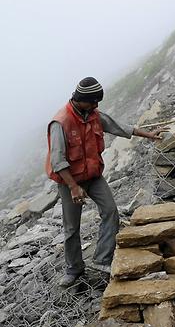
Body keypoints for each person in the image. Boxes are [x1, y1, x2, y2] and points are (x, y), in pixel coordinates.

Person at [47, 77, 162, 287]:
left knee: (111, 211)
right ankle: (74, 269)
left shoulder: (93, 115)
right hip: (70, 181)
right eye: (93, 102)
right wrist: (73, 187)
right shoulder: (61, 122)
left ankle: (102, 259)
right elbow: (57, 160)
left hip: (93, 176)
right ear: (81, 99)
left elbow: (120, 127)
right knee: (72, 228)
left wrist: (149, 135)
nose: (96, 106)